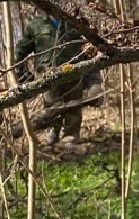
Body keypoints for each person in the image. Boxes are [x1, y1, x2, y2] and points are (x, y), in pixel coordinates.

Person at [14, 13, 89, 144]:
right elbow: (21, 49)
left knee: (74, 106)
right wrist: (22, 72)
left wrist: (93, 78)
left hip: (74, 73)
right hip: (46, 76)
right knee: (51, 107)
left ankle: (71, 136)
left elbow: (88, 49)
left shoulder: (76, 23)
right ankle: (52, 132)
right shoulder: (36, 24)